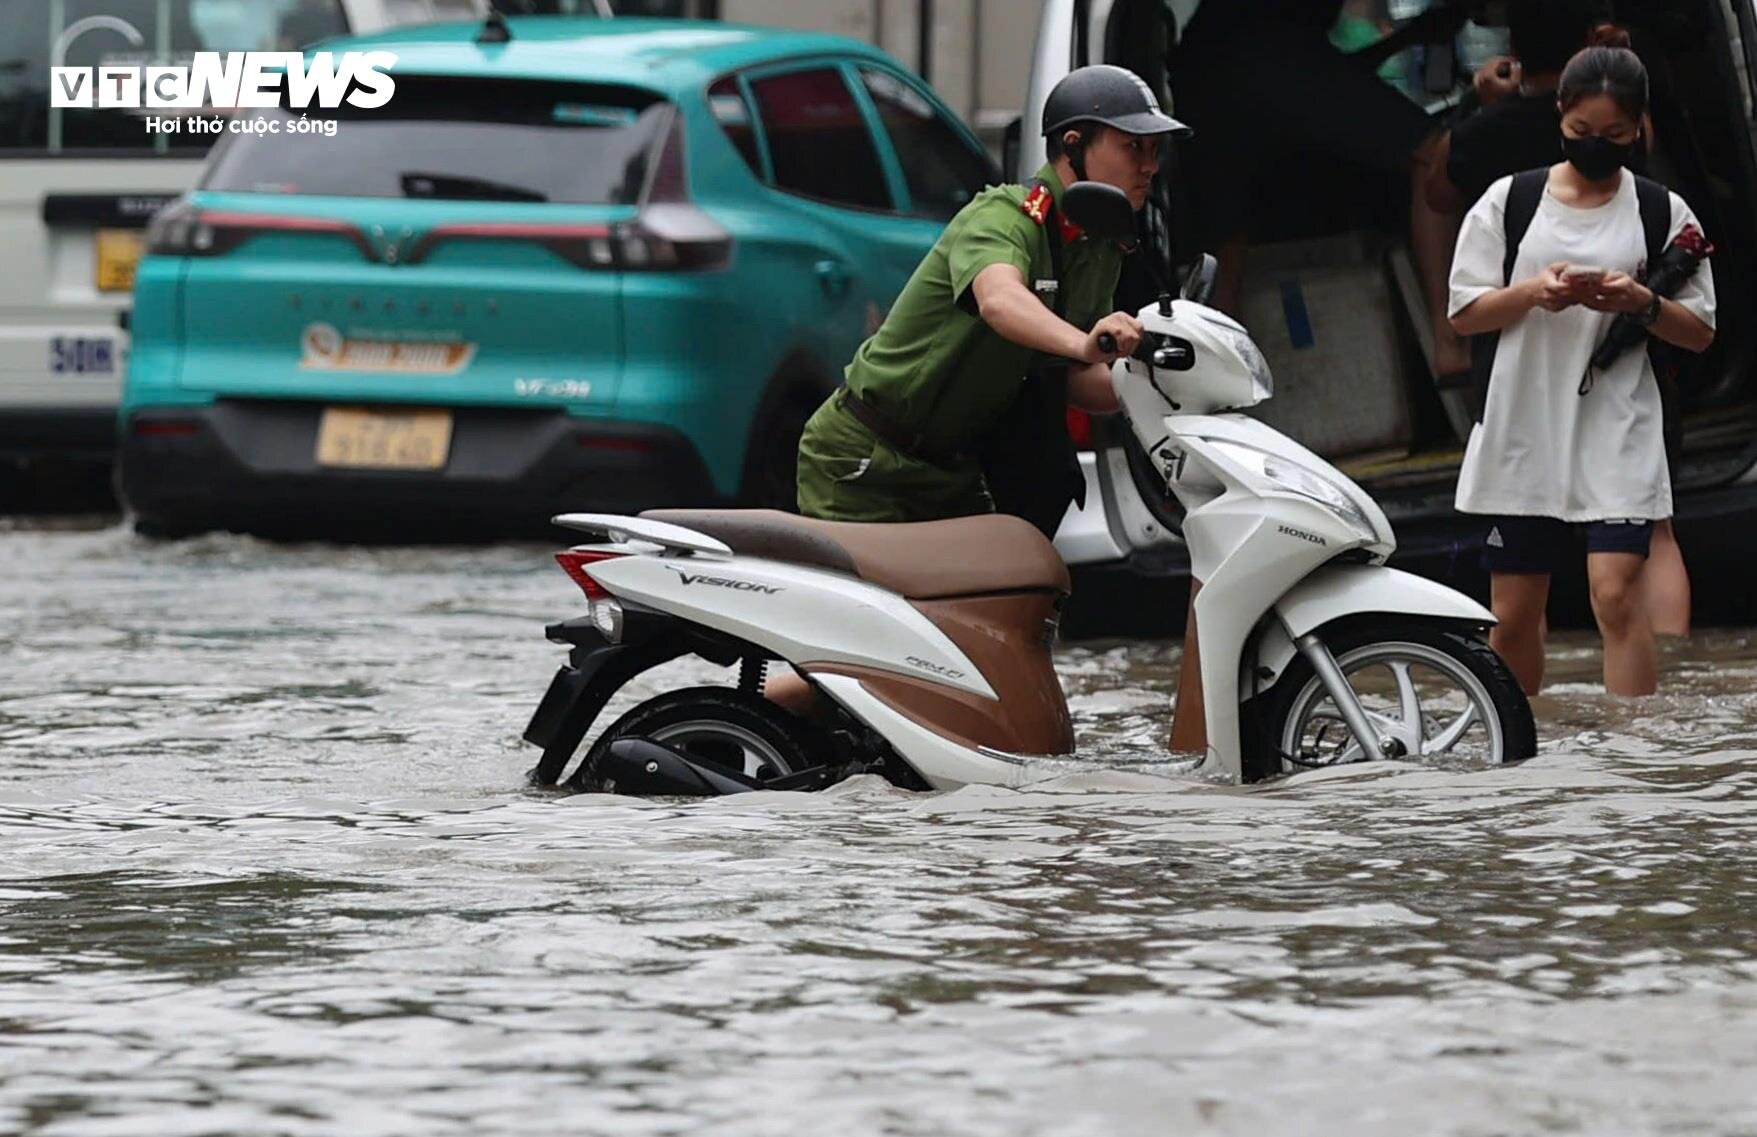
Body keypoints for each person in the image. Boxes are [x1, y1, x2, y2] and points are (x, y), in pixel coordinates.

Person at [782, 65, 1210, 749]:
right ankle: (740, 730)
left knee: (993, 624)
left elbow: (1076, 378)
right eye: (1133, 146)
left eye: (1155, 150)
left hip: (949, 471)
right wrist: (1087, 340)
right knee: (868, 654)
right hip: (862, 457)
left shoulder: (1098, 244)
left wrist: (1155, 393)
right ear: (1073, 146)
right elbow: (1001, 302)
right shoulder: (1005, 216)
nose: (1149, 164)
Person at [1447, 37, 1716, 697]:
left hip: (1616, 420)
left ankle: (1631, 755)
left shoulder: (1660, 211)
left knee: (1614, 594)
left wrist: (1641, 300)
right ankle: (1520, 755)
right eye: (1580, 131)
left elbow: (1700, 330)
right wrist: (1533, 293)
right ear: (1559, 115)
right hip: (1524, 420)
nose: (1596, 144)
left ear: (1637, 129)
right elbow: (1464, 312)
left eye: (1614, 134)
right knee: (1511, 613)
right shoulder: (1508, 202)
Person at [1172, 0, 1475, 379]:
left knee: (1225, 252)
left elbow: (1326, 78)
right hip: (1264, 53)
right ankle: (1452, 344)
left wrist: (1407, 38)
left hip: (1205, 81)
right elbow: (1306, 78)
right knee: (1435, 153)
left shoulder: (1242, 46)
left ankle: (1223, 390)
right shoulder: (1274, 42)